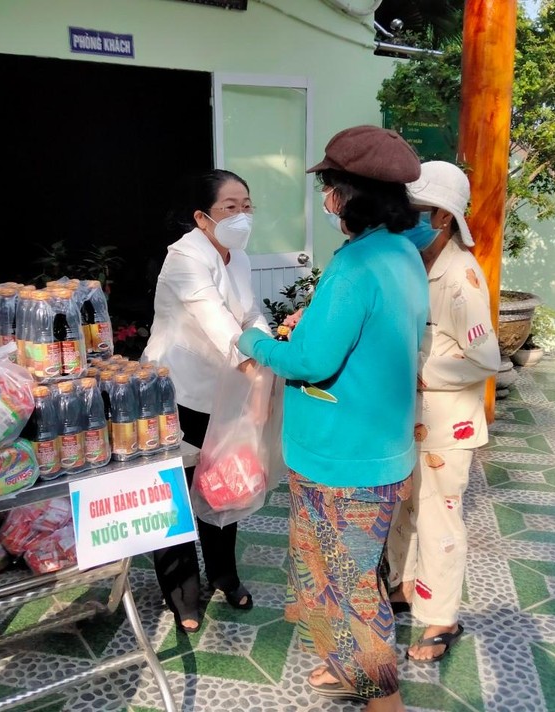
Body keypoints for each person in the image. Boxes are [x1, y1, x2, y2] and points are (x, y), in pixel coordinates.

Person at [237, 125, 433, 712]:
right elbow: (364, 336)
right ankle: (349, 670)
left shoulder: (358, 266)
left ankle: (384, 701)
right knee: (319, 575)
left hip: (342, 463)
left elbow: (313, 360)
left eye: (330, 188)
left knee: (350, 587)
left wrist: (257, 341)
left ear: (351, 196)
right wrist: (315, 319)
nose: (326, 200)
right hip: (372, 449)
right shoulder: (402, 252)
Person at [142, 169, 271, 633]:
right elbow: (215, 320)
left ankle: (223, 573)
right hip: (178, 390)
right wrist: (260, 370)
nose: (242, 216)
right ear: (202, 216)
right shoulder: (184, 258)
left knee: (223, 480)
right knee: (176, 492)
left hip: (223, 387)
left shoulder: (238, 256)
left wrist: (269, 348)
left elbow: (250, 312)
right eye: (229, 207)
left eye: (247, 205)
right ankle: (182, 593)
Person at [384, 161, 500, 664]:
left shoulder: (461, 276)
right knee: (406, 511)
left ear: (444, 218)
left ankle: (443, 618)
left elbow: (485, 358)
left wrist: (415, 367)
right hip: (410, 421)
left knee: (440, 519)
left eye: (415, 212)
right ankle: (406, 585)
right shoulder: (416, 266)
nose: (405, 221)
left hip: (447, 426)